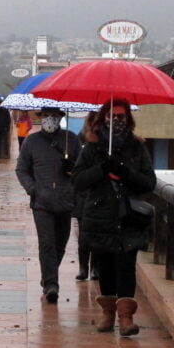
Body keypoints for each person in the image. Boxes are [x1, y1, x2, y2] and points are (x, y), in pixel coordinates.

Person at [72, 98, 156, 336]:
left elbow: (149, 182)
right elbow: (78, 181)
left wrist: (125, 172)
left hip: (128, 217)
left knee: (126, 266)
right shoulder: (91, 148)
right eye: (112, 116)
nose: (116, 120)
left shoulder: (138, 148)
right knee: (105, 265)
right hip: (100, 217)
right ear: (103, 118)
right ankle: (108, 314)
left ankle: (126, 317)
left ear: (128, 119)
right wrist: (101, 169)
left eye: (121, 116)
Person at [16, 106, 80, 303]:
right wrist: (33, 189)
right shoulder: (31, 142)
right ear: (40, 118)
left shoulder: (71, 140)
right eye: (45, 116)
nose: (49, 119)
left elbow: (82, 169)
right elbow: (21, 169)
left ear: (61, 117)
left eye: (53, 116)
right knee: (46, 243)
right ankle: (52, 284)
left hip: (65, 200)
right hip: (42, 203)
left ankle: (47, 277)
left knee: (60, 244)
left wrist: (72, 169)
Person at [74, 111, 99, 281]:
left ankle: (95, 267)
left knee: (98, 232)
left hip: (100, 196)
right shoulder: (80, 138)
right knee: (84, 233)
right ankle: (83, 267)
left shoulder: (107, 142)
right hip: (83, 195)